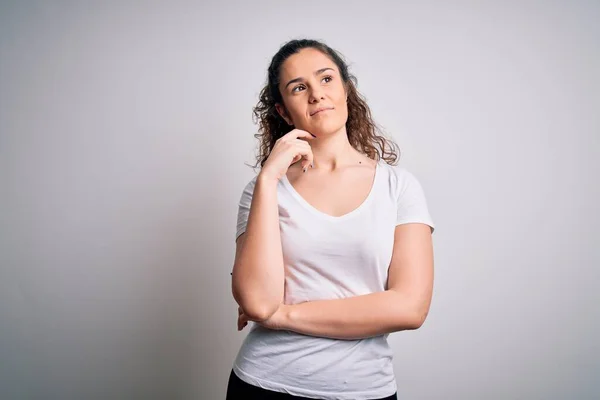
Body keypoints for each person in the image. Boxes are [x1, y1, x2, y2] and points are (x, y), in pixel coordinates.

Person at [227, 38, 435, 400]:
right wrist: (268, 178)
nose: (316, 94)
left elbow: (409, 307)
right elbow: (259, 302)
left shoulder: (399, 187)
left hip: (365, 390)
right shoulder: (263, 190)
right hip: (263, 385)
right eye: (298, 87)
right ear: (283, 111)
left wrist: (283, 317)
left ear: (346, 90)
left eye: (326, 79)